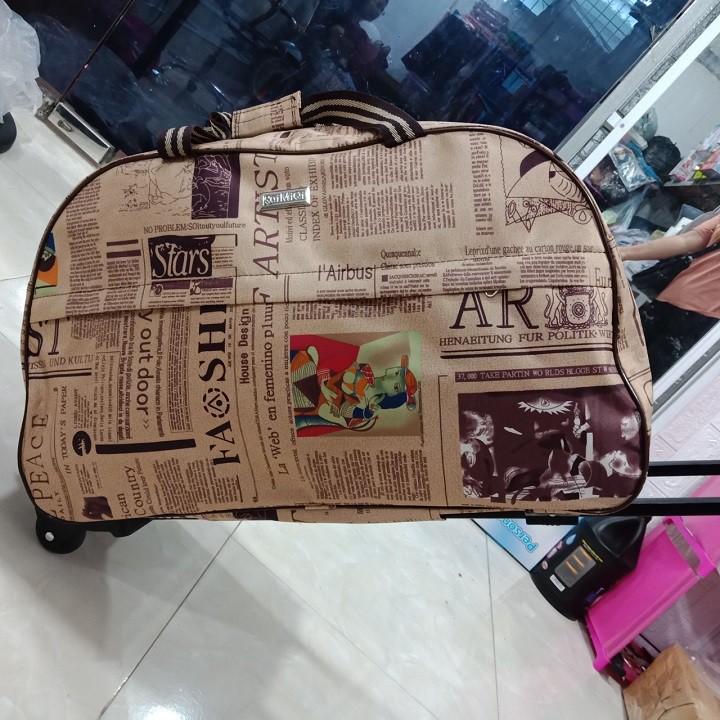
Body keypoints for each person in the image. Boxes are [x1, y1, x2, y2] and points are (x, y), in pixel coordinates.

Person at [618, 213, 720, 377]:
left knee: (639, 381)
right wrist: (623, 253)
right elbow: (686, 241)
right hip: (665, 303)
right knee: (611, 361)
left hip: (702, 325)